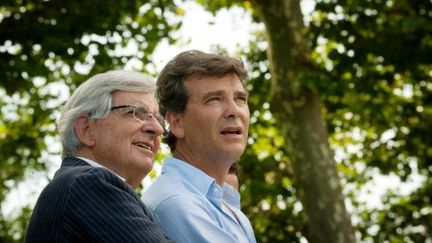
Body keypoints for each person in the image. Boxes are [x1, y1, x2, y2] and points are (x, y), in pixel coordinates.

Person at [25, 70, 173, 242]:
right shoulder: (88, 182)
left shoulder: (78, 183)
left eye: (158, 119)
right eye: (136, 114)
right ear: (86, 130)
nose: (158, 129)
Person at [142, 50, 257, 242]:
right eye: (214, 99)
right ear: (177, 122)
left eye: (240, 99)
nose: (234, 111)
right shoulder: (175, 202)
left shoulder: (228, 206)